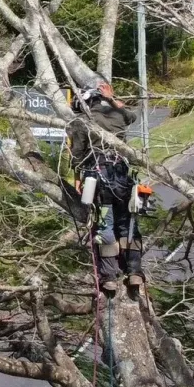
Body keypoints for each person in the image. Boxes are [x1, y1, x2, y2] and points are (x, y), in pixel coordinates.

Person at [66, 83, 146, 295]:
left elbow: (77, 156)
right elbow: (131, 117)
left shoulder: (81, 122)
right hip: (124, 178)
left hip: (99, 180)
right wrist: (111, 99)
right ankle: (134, 271)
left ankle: (110, 276)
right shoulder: (117, 114)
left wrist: (77, 177)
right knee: (128, 224)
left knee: (105, 225)